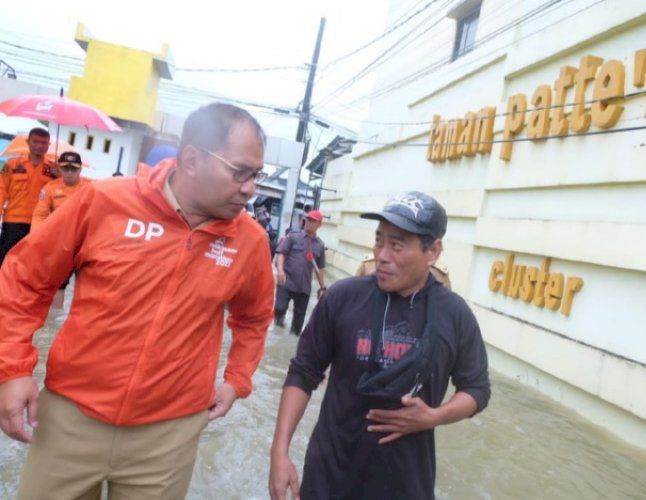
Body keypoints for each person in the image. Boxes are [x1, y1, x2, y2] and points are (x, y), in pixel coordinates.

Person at [0, 102, 275, 499]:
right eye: (240, 173)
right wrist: (12, 369)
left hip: (168, 438)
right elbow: (24, 278)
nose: (251, 189)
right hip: (69, 419)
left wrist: (237, 380)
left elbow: (254, 318)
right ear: (192, 159)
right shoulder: (105, 202)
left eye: (257, 175)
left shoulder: (250, 242)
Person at [269, 191, 491, 500]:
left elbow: (477, 389)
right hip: (329, 477)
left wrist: (433, 416)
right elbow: (303, 373)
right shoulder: (341, 298)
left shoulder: (455, 315)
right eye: (379, 240)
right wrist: (279, 453)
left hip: (404, 484)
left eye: (397, 244)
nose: (382, 255)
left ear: (433, 251)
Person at [31, 151, 93, 308]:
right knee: (59, 285)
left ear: (80, 170)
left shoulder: (92, 188)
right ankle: (54, 321)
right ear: (59, 168)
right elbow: (39, 216)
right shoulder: (50, 189)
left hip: (85, 244)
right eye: (66, 168)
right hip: (60, 244)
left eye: (74, 168)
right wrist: (37, 240)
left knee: (87, 286)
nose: (70, 172)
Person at [0, 127, 58, 268]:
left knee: (30, 265)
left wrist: (59, 176)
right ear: (28, 142)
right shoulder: (12, 164)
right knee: (5, 262)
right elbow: (1, 190)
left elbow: (60, 195)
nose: (39, 146)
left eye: (44, 143)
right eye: (35, 141)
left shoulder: (53, 169)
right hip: (13, 221)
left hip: (39, 224)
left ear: (48, 145)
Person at [274, 210, 326, 335]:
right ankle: (278, 327)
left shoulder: (320, 245)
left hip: (304, 288)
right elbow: (282, 253)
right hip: (286, 281)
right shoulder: (293, 236)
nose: (308, 222)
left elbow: (320, 269)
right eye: (307, 219)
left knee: (297, 326)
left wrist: (322, 287)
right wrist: (280, 270)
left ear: (319, 225)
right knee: (279, 308)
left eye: (312, 221)